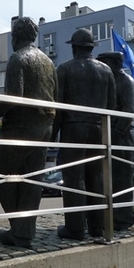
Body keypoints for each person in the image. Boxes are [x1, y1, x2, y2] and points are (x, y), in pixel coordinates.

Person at [0, 17, 58, 247]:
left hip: (22, 126)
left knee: (2, 176)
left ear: (15, 37)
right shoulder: (48, 62)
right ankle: (24, 230)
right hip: (45, 126)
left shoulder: (18, 58)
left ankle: (19, 228)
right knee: (32, 180)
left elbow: (13, 96)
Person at [52, 29, 116, 240]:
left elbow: (58, 106)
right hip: (98, 128)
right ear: (91, 48)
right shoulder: (106, 71)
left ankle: (75, 228)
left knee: (73, 177)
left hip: (73, 127)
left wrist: (53, 134)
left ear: (74, 47)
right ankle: (98, 227)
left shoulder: (65, 69)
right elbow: (112, 107)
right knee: (96, 176)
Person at [97, 51, 134, 230]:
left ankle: (123, 218)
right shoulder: (107, 80)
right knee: (105, 178)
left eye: (104, 62)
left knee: (122, 177)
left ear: (113, 63)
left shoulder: (126, 80)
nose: (101, 65)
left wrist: (116, 132)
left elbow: (128, 111)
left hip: (121, 136)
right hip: (106, 134)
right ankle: (106, 216)